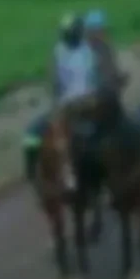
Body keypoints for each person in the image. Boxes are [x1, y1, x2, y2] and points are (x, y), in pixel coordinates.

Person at [23, 14, 96, 180]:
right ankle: (32, 173)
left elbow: (91, 79)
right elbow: (54, 81)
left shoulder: (86, 51)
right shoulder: (58, 52)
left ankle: (72, 171)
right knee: (31, 134)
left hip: (86, 102)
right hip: (65, 103)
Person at [84, 9, 128, 98]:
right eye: (101, 29)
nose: (104, 32)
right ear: (92, 32)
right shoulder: (85, 52)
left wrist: (119, 79)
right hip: (93, 99)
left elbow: (113, 74)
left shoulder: (106, 48)